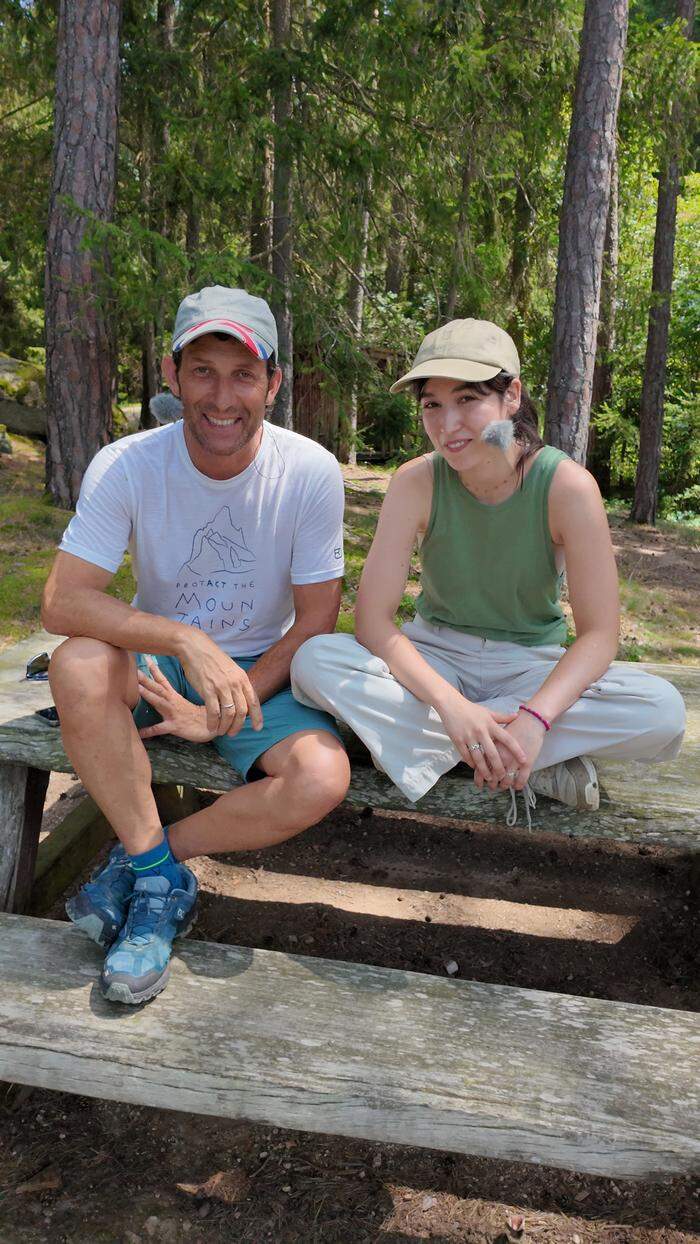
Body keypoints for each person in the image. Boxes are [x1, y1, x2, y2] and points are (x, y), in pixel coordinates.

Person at [43, 285, 350, 1005]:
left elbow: (314, 621)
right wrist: (184, 638)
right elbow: (62, 601)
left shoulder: (307, 471)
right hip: (157, 660)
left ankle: (150, 863)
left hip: (258, 667)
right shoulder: (127, 463)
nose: (222, 396)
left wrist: (229, 702)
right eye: (203, 371)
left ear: (272, 384)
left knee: (320, 776)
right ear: (172, 374)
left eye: (244, 374)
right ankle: (157, 894)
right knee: (77, 663)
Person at [291, 319, 685, 827]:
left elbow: (600, 635)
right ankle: (524, 758)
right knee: (315, 661)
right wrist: (453, 706)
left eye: (467, 399)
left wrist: (537, 716)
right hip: (435, 659)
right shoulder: (416, 481)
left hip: (529, 668)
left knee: (660, 711)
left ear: (512, 396)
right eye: (432, 403)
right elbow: (372, 622)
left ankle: (467, 746)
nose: (447, 424)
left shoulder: (566, 487)